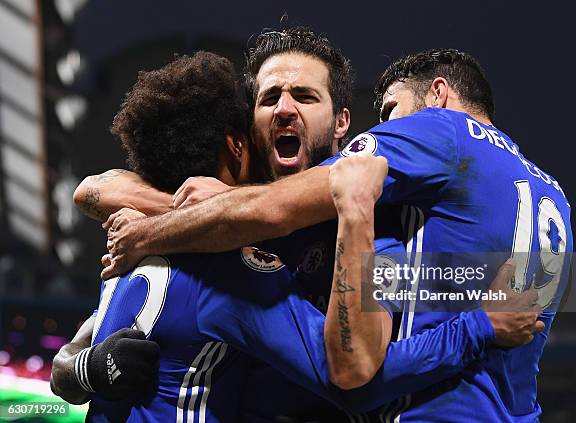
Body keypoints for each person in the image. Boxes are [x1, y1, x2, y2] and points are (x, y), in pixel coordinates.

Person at [52, 47, 536, 422]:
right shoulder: (229, 255)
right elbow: (348, 377)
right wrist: (85, 368)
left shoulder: (365, 219)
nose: (284, 109)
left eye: (304, 97)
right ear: (245, 135)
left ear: (342, 123)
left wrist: (171, 220)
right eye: (268, 99)